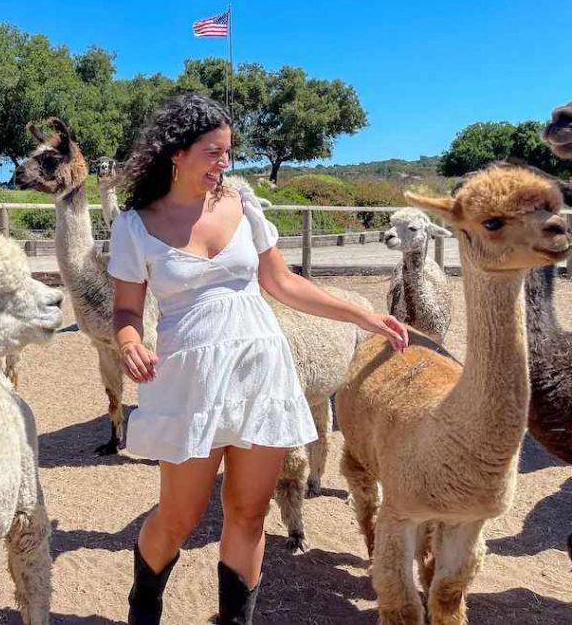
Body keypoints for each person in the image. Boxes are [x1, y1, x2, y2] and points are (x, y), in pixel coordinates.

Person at [108, 93, 408, 624]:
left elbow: (281, 283)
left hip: (260, 371)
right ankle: (144, 606)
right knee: (179, 517)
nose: (224, 163)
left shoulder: (242, 205)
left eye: (228, 152)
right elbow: (127, 310)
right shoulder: (135, 224)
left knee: (247, 514)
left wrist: (359, 316)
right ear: (176, 152)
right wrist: (131, 344)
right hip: (190, 381)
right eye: (213, 152)